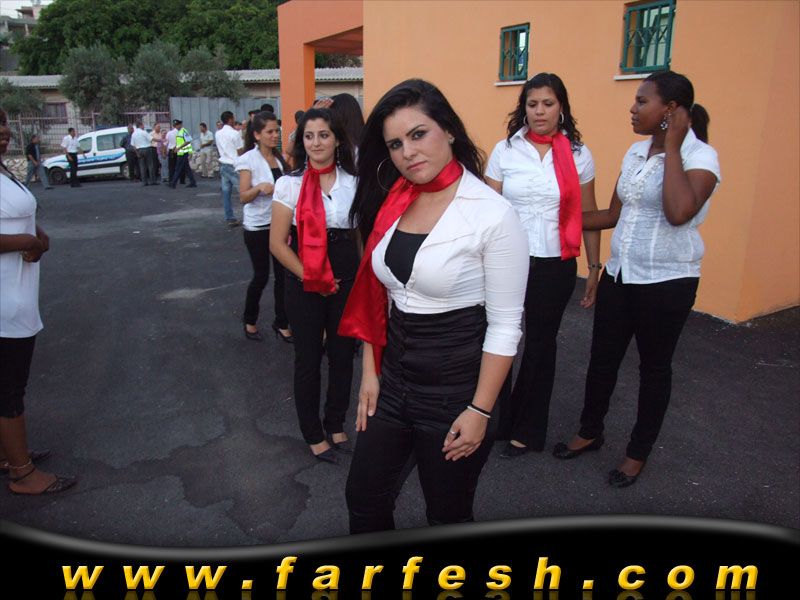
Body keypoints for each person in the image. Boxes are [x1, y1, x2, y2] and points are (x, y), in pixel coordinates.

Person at [339, 79, 529, 533]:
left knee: (447, 515)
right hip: (392, 385)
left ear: (449, 130)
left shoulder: (492, 214)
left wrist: (480, 411)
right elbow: (379, 296)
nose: (408, 152)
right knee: (363, 500)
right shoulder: (391, 201)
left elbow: (505, 326)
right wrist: (370, 371)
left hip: (456, 394)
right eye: (395, 144)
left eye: (418, 134)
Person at [553, 71, 721, 488]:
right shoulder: (635, 152)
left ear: (670, 110)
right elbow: (613, 214)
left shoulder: (701, 158)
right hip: (621, 275)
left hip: (667, 283)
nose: (633, 108)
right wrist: (551, 218)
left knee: (654, 369)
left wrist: (673, 148)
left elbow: (678, 212)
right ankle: (590, 431)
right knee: (602, 359)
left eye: (643, 101)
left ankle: (637, 452)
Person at [484, 73, 601, 458]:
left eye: (547, 104)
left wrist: (594, 266)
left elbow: (587, 215)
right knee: (499, 337)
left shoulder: (579, 155)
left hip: (554, 263)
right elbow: (487, 210)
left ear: (561, 107)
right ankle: (496, 420)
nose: (539, 111)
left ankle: (526, 430)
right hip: (507, 260)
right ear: (523, 108)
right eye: (532, 104)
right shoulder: (505, 151)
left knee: (539, 345)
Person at [269, 108, 359, 464]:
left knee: (342, 355)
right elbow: (278, 244)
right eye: (309, 136)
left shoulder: (354, 182)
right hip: (303, 279)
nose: (316, 143)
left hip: (346, 278)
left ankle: (335, 422)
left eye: (323, 135)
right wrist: (313, 277)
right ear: (301, 141)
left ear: (337, 140)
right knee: (307, 358)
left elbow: (359, 237)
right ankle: (312, 433)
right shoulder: (289, 184)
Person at [0, 108, 77, 495]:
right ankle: (22, 473)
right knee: (9, 389)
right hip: (4, 302)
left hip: (18, 292)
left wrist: (39, 236)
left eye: (2, 124)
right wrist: (29, 241)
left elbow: (15, 218)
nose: (2, 132)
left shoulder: (3, 172)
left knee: (9, 385)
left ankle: (8, 454)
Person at [237, 112, 292, 343]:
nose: (275, 135)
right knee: (260, 276)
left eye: (276, 131)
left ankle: (282, 323)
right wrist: (259, 187)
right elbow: (243, 196)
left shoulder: (280, 159)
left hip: (280, 224)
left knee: (283, 277)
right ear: (257, 135)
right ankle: (249, 320)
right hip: (257, 227)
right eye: (270, 131)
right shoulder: (248, 159)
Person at [215, 111, 243, 227]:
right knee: (244, 193)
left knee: (226, 194)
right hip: (234, 165)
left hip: (223, 164)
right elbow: (240, 151)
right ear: (231, 119)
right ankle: (249, 217)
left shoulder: (218, 133)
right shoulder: (235, 134)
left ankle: (229, 217)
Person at [169, 119, 197, 189]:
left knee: (178, 168)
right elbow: (180, 142)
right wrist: (176, 147)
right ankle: (193, 182)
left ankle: (173, 183)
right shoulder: (179, 132)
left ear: (180, 125)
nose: (176, 126)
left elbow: (188, 140)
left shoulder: (183, 131)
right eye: (175, 125)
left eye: (177, 125)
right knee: (187, 168)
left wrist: (179, 148)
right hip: (181, 152)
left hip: (183, 152)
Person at [131, 121, 154, 186]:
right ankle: (152, 181)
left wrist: (137, 153)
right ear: (140, 125)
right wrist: (160, 140)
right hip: (147, 149)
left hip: (139, 150)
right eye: (143, 125)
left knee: (142, 166)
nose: (144, 126)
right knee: (150, 165)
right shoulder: (144, 132)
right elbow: (151, 139)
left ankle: (144, 182)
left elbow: (133, 145)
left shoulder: (133, 134)